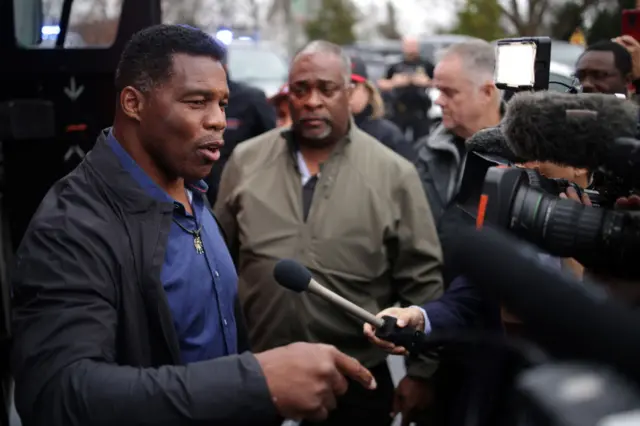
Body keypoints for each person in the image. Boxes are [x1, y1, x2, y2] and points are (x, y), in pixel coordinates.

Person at [10, 25, 376, 426]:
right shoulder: (72, 226)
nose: (218, 120)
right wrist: (256, 382)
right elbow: (58, 394)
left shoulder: (195, 193)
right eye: (197, 101)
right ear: (134, 103)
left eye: (222, 103)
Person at [214, 40, 443, 426]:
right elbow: (219, 263)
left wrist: (422, 372)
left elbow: (422, 279)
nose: (312, 101)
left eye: (326, 88)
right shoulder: (246, 160)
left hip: (355, 378)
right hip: (258, 372)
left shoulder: (393, 173)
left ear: (350, 92)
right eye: (300, 89)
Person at [415, 40, 502, 225]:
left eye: (449, 92)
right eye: (438, 91)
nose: (438, 101)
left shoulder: (526, 160)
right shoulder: (424, 152)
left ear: (486, 92)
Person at [205, 44, 277, 205]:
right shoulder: (189, 102)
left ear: (224, 66)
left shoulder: (251, 100)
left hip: (241, 196)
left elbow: (273, 145)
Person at [349, 55, 416, 162]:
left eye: (352, 86)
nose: (346, 93)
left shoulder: (387, 135)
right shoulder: (326, 134)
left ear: (367, 91)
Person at [378, 36, 434, 141]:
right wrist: (394, 83)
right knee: (398, 140)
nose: (411, 49)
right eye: (408, 45)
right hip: (400, 109)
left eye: (413, 45)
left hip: (420, 109)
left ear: (418, 47)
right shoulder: (396, 66)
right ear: (403, 47)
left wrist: (426, 82)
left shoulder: (426, 65)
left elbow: (439, 83)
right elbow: (381, 84)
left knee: (422, 141)